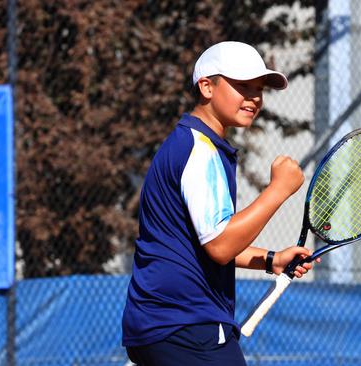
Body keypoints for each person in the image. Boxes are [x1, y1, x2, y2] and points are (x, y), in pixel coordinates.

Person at [121, 41, 318, 365]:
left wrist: (271, 260)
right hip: (186, 325)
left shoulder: (192, 144)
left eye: (259, 89)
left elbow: (203, 240)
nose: (254, 97)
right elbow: (220, 245)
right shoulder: (199, 151)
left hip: (162, 325)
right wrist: (278, 190)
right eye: (242, 86)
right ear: (206, 87)